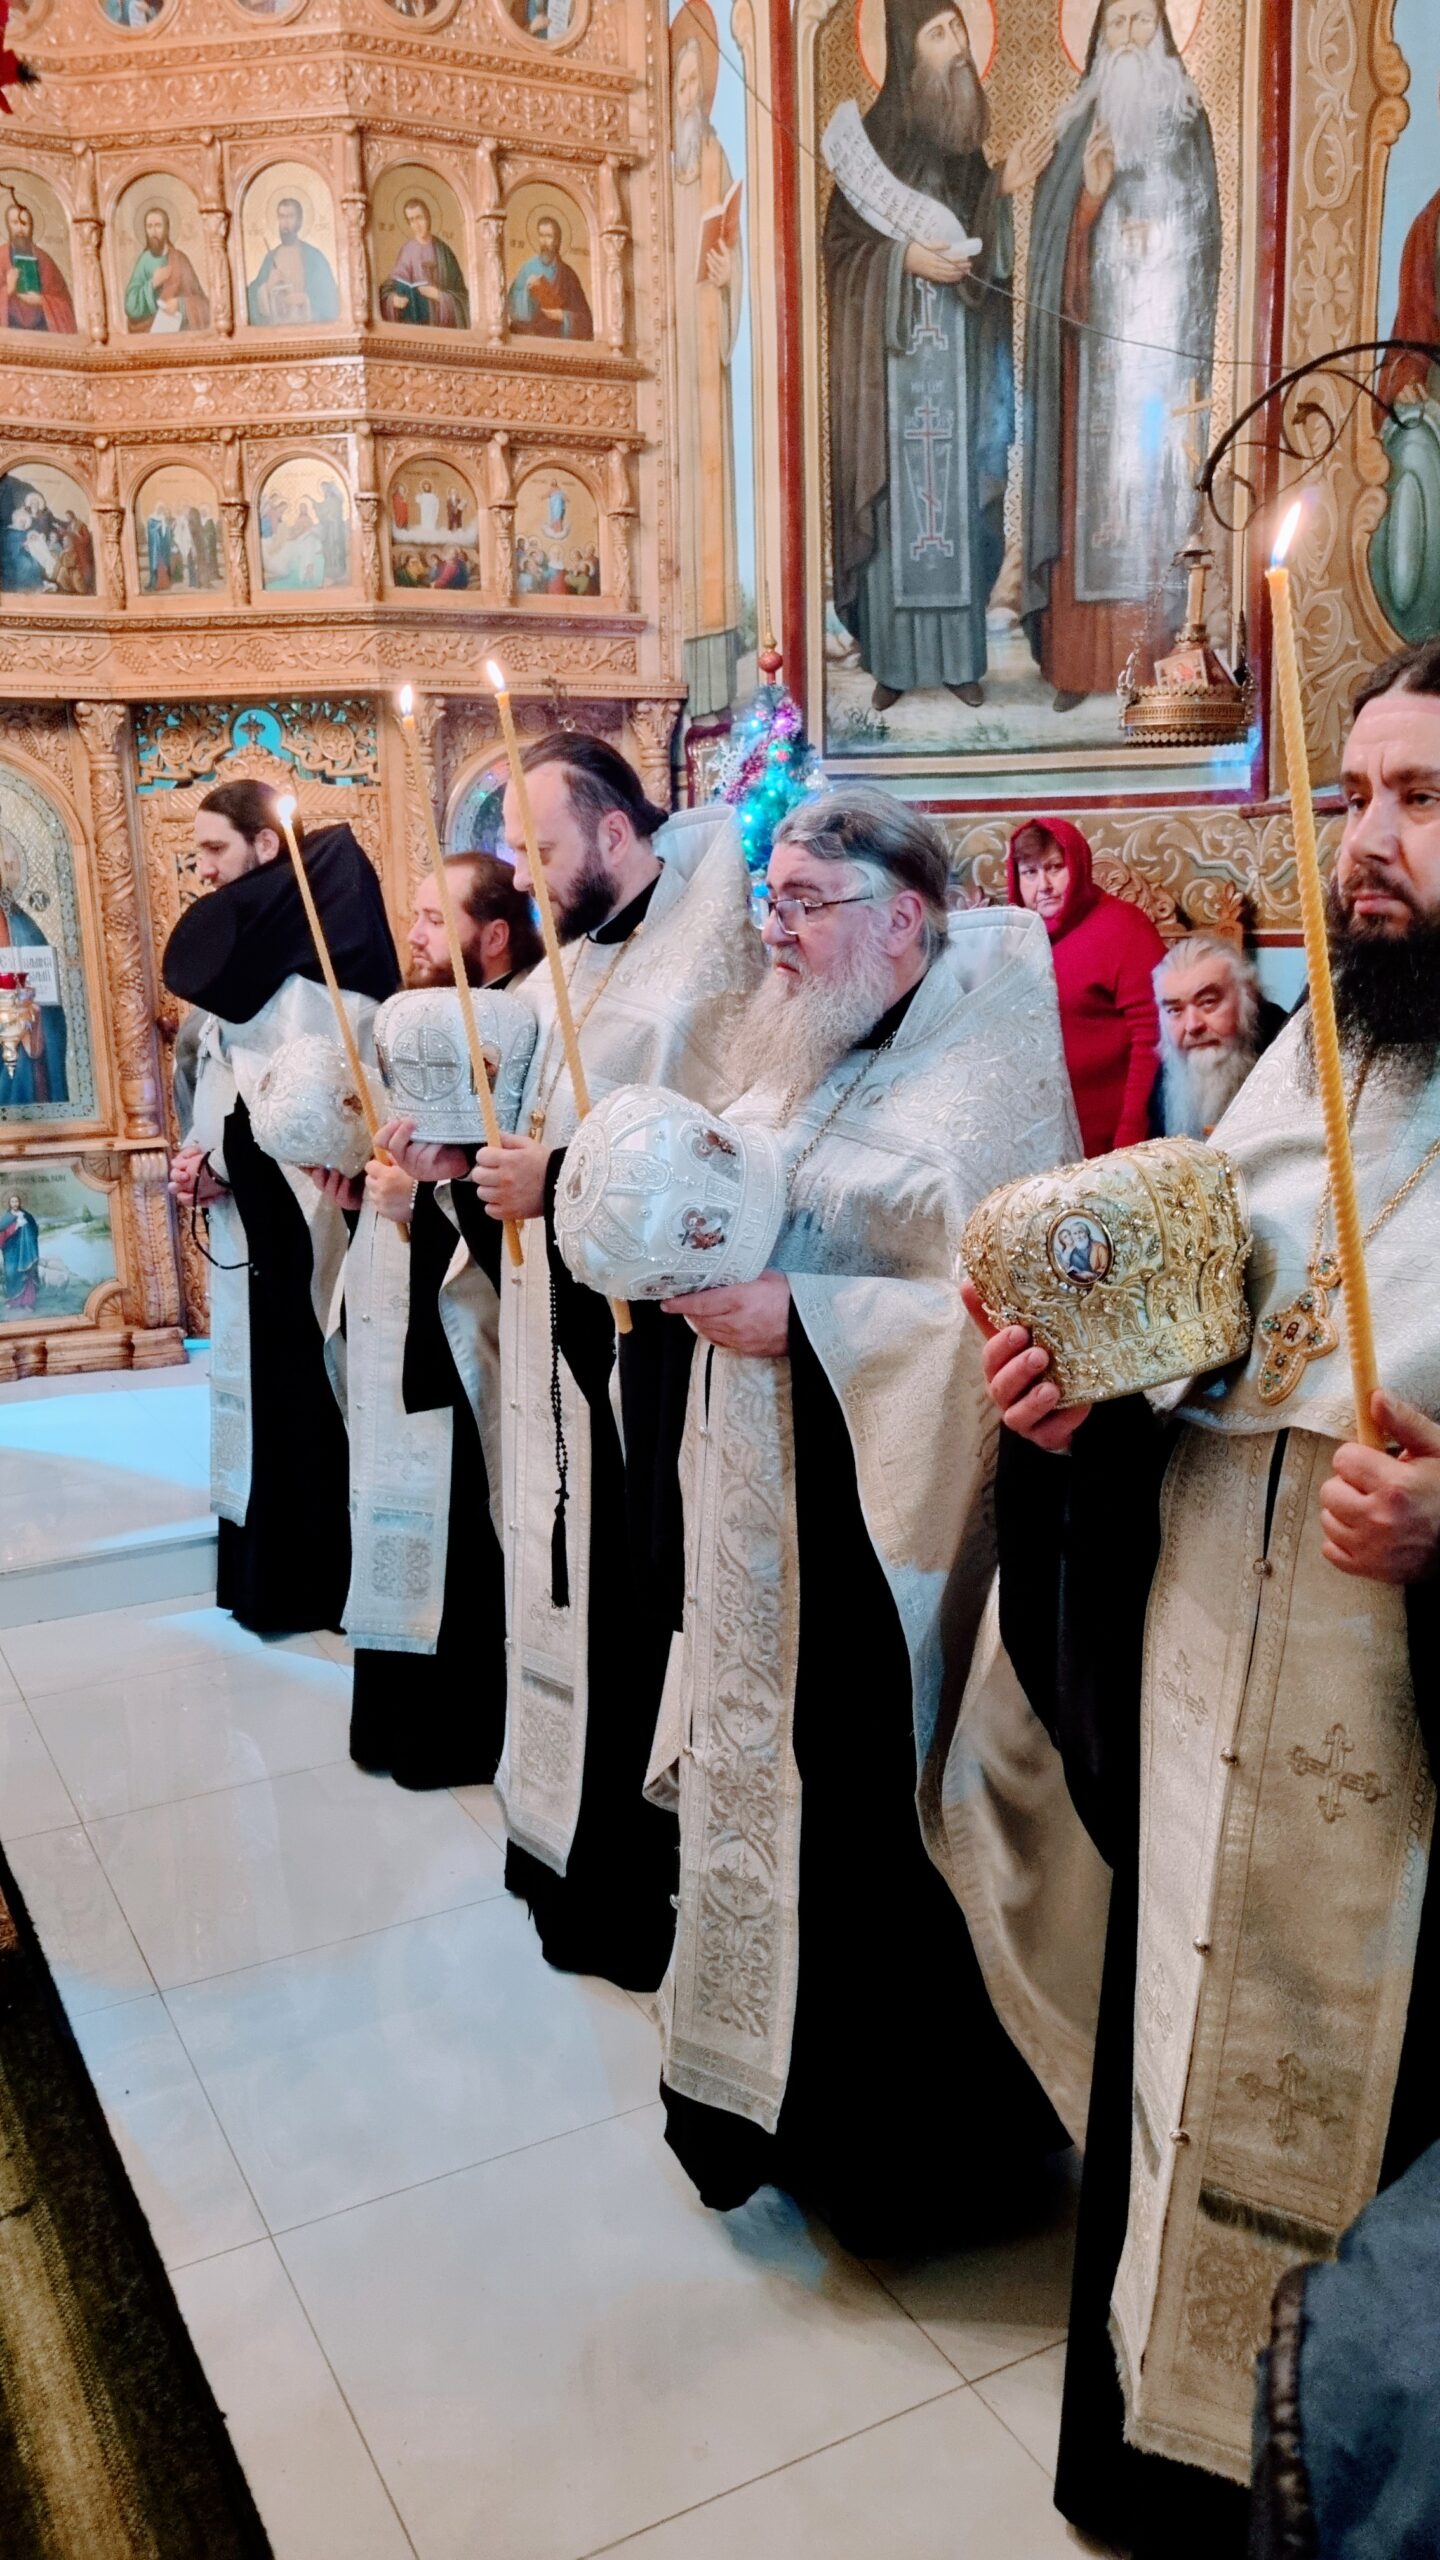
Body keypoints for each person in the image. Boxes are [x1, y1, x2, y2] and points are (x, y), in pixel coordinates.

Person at [965, 636, 1440, 2556]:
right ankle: (1172, 2466)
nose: (1366, 842)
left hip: (1401, 1792)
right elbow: (1189, 1353)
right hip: (1201, 1705)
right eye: (1355, 798)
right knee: (1175, 2065)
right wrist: (1073, 1423)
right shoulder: (1307, 1068)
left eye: (1421, 800)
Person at [653, 786, 1079, 2251]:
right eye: (769, 899)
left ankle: (905, 2169)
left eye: (805, 904)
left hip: (889, 1532)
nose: (773, 930)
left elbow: (1016, 1318)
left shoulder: (979, 1082)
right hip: (764, 1489)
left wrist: (810, 1314)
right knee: (767, 1787)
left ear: (905, 919)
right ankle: (760, 2112)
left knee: (866, 1813)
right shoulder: (796, 1052)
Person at [450, 732, 764, 1991]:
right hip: (564, 1328)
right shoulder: (566, 965)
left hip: (663, 1346)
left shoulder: (714, 959)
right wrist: (469, 1170)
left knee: (640, 1595)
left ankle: (642, 1885)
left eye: (541, 847)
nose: (524, 876)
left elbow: (723, 1158)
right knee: (569, 1578)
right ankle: (572, 1857)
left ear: (617, 831)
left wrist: (564, 1174)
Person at [320, 856, 542, 1790]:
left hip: (479, 1331)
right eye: (412, 916)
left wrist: (421, 1200)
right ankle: (399, 1726)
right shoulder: (420, 1029)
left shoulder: (523, 1034)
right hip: (409, 1317)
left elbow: (511, 1214)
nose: (412, 936)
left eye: (431, 918)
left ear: (492, 934)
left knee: (469, 1528)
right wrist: (359, 1202)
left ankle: (459, 1737)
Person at [163, 780, 399, 1637]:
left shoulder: (329, 978)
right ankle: (261, 1578)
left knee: (310, 1395)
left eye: (214, 850)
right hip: (252, 1232)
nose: (202, 870)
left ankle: (316, 1583)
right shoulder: (240, 973)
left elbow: (337, 1122)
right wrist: (204, 1165)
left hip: (317, 1236)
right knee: (259, 1390)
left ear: (267, 848)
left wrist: (238, 1167)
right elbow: (218, 1094)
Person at [822, 0, 1035, 713]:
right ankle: (894, 662)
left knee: (957, 506)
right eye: (938, 33)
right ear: (907, 49)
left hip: (961, 376)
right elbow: (841, 258)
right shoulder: (873, 146)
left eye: (958, 29)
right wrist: (902, 259)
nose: (957, 45)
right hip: (889, 382)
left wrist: (999, 193)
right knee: (898, 516)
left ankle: (957, 660)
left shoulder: (967, 158)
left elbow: (988, 270)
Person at [1019, 0, 1221, 712]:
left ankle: (1151, 665)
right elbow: (1048, 256)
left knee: (1152, 505)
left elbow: (1206, 240)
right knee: (1085, 506)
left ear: (1163, 32)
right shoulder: (1078, 127)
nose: (1130, 38)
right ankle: (1077, 669)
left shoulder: (1187, 124)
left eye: (1142, 22)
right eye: (1118, 24)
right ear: (1099, 39)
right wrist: (1090, 200)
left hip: (1157, 361)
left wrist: (1161, 240)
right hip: (1088, 357)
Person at [1007, 817, 1163, 1153]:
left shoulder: (1124, 927)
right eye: (1030, 872)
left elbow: (1152, 1036)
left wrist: (1131, 1133)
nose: (1043, 885)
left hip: (1108, 1139)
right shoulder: (1011, 939)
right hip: (1032, 1136)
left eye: (1055, 868)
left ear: (1078, 867)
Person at [670, 25, 742, 716]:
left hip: (704, 346)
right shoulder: (651, 169)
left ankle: (714, 693)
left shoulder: (715, 154)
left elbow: (730, 245)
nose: (687, 97)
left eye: (696, 84)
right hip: (665, 354)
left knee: (712, 510)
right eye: (679, 84)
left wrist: (726, 277)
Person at [1152, 929, 1288, 1138]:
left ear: (1248, 999)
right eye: (1175, 1010)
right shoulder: (1167, 1074)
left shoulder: (1286, 1050)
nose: (1192, 1026)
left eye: (1208, 1002)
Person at [246, 194, 340, 326]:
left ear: (299, 221)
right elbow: (249, 298)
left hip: (308, 329)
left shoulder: (314, 257)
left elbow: (329, 297)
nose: (285, 223)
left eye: (290, 216)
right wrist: (266, 287)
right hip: (277, 330)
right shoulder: (270, 258)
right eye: (281, 217)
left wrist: (305, 299)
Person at [379, 196, 469, 329]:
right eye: (411, 220)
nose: (416, 225)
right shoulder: (407, 250)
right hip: (412, 325)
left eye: (419, 218)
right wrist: (393, 300)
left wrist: (439, 296)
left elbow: (463, 298)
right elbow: (388, 289)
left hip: (440, 327)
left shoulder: (444, 252)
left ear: (428, 218)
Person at [506, 211, 594, 340]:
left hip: (557, 339)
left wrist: (562, 316)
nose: (544, 241)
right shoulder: (527, 269)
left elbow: (585, 319)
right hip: (530, 337)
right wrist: (526, 292)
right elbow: (512, 306)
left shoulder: (568, 275)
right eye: (541, 236)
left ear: (557, 240)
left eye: (549, 236)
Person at [124, 204, 211, 334]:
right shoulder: (143, 261)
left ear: (167, 228)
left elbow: (204, 305)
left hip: (179, 332)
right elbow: (130, 306)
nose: (153, 232)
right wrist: (153, 283)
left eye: (158, 226)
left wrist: (180, 305)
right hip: (148, 337)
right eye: (149, 226)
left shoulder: (180, 260)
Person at [3, 194, 78, 334]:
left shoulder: (45, 260)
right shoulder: (1, 257)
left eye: (24, 224)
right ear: (8, 226)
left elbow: (65, 304)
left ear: (31, 227)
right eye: (15, 223)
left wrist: (41, 301)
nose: (20, 229)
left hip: (42, 330)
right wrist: (7, 290)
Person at [0, 1189, 39, 1309]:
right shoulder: (7, 1217)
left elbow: (35, 1230)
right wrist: (16, 1226)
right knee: (11, 1274)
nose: (15, 1204)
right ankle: (13, 1301)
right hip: (11, 1252)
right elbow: (1, 1232)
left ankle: (28, 1302)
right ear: (9, 1203)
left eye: (16, 1201)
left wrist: (26, 1226)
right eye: (12, 1202)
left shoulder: (26, 1215)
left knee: (27, 1274)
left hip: (26, 1251)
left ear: (20, 1202)